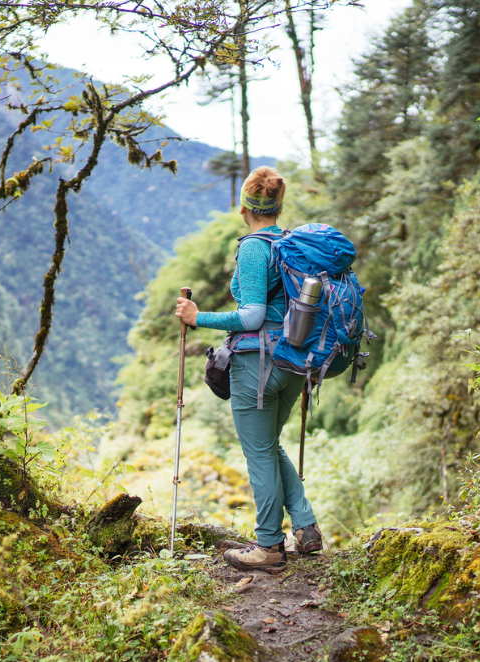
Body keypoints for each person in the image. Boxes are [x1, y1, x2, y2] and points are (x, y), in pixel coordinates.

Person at [174, 166, 322, 573]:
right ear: (278, 205)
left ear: (244, 209)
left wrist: (198, 317)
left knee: (259, 452)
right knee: (269, 445)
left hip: (257, 364)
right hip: (293, 362)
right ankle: (306, 528)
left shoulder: (256, 247)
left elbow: (253, 315)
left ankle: (269, 546)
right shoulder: (292, 244)